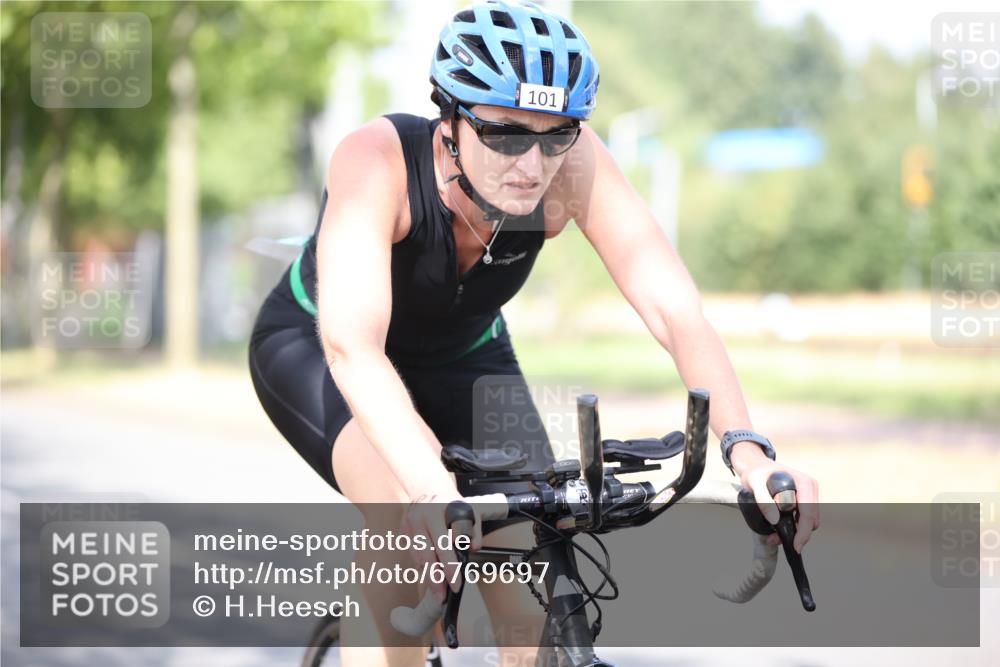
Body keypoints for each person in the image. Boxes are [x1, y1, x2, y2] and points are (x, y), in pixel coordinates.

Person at [248, 1, 820, 665]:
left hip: (466, 358)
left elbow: (674, 308)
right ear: (450, 120)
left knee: (532, 591)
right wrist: (433, 492)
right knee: (409, 534)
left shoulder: (572, 166)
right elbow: (355, 346)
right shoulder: (377, 161)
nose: (532, 162)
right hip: (321, 349)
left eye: (555, 135)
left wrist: (748, 450)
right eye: (507, 134)